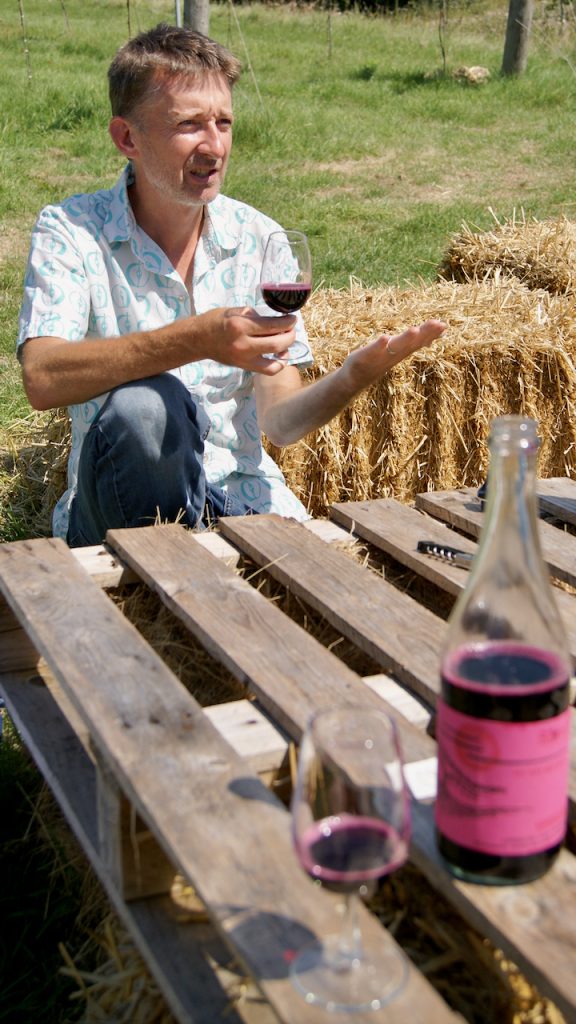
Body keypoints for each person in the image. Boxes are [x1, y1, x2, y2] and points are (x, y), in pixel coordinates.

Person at [17, 23, 446, 547]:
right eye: (189, 124)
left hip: (241, 500)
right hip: (122, 511)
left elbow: (282, 423)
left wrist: (350, 378)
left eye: (223, 122)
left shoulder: (262, 238)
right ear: (127, 137)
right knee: (146, 407)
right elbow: (41, 377)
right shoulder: (70, 230)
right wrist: (196, 338)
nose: (214, 146)